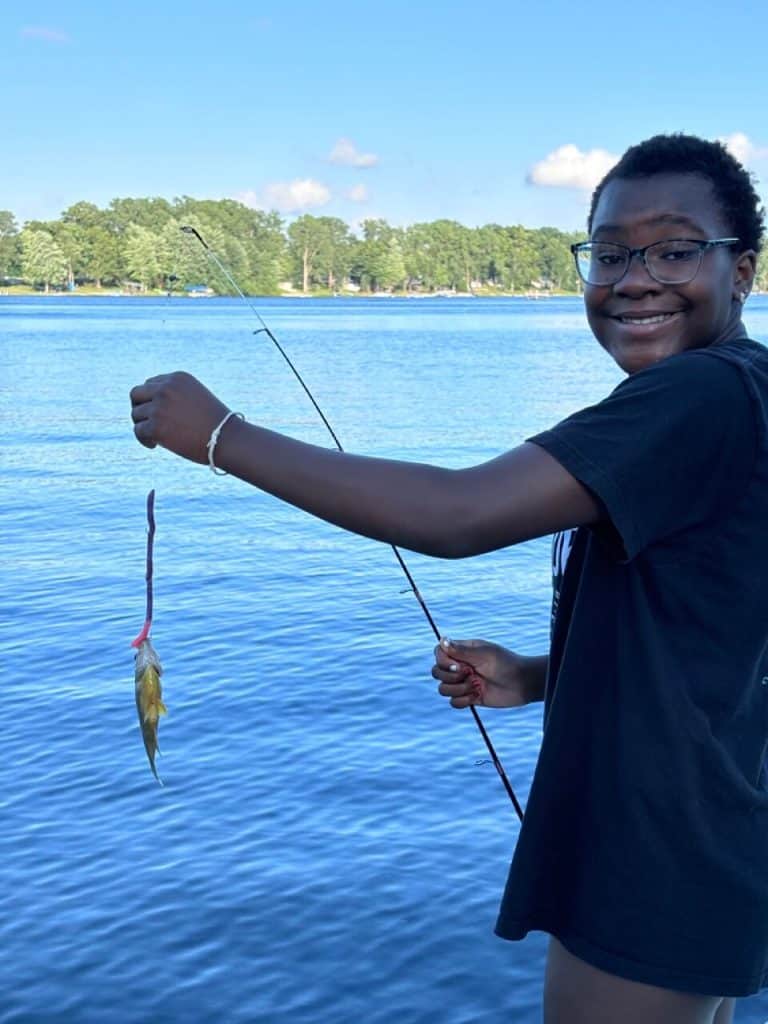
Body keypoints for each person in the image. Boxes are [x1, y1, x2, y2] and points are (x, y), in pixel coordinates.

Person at [130, 133, 767, 1023]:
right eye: (611, 252)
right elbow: (725, 633)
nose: (634, 277)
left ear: (742, 268)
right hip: (707, 836)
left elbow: (457, 514)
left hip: (650, 852)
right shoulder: (744, 393)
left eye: (674, 248)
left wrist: (219, 434)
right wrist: (543, 676)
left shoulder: (699, 396)